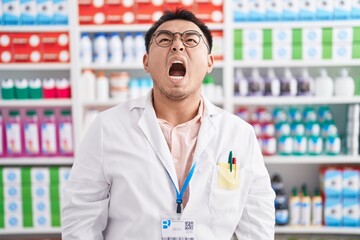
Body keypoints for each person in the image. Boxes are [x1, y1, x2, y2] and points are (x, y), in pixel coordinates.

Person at [62, 8, 275, 240]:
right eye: (164, 39)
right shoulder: (107, 128)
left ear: (209, 62)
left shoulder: (239, 134)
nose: (177, 45)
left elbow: (257, 223)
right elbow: (80, 218)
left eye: (191, 40)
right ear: (146, 62)